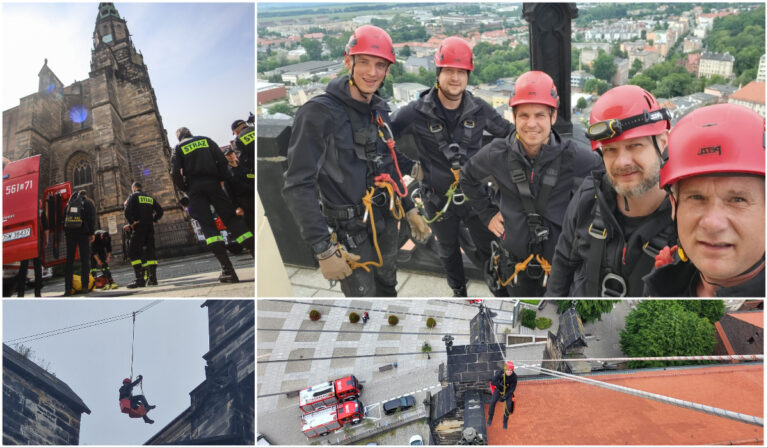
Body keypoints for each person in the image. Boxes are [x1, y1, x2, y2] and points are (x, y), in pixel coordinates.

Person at [282, 24, 430, 297]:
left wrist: (408, 208)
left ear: (387, 70)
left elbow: (388, 163)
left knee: (387, 289)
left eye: (380, 65)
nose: (372, 73)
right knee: (364, 302)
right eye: (364, 62)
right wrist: (323, 249)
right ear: (348, 62)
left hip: (384, 219)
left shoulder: (378, 109)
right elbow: (297, 184)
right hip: (350, 231)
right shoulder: (318, 113)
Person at [460, 71, 602, 297]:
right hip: (515, 268)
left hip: (558, 267)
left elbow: (607, 180)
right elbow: (467, 178)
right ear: (513, 117)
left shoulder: (574, 157)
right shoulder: (496, 154)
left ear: (553, 117)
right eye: (524, 115)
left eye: (540, 115)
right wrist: (487, 214)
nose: (531, 124)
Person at [391, 36, 513, 297]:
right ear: (438, 73)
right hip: (438, 200)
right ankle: (459, 293)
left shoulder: (479, 109)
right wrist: (410, 167)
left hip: (476, 197)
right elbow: (384, 139)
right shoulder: (415, 112)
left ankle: (500, 292)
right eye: (449, 71)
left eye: (461, 72)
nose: (455, 78)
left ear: (468, 76)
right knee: (447, 251)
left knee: (490, 247)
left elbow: (510, 134)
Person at [546, 86, 676, 297]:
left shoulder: (684, 222)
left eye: (635, 146)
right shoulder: (588, 199)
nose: (622, 162)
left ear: (662, 142)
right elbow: (563, 263)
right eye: (611, 150)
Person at [643, 104, 765, 297]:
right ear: (674, 206)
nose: (712, 224)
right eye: (696, 197)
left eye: (737, 199)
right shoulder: (662, 284)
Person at [172, 127, 254, 283]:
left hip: (195, 188)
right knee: (232, 220)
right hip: (214, 184)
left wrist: (185, 188)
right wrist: (221, 178)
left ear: (179, 138)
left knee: (208, 227)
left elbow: (175, 172)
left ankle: (228, 271)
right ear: (190, 132)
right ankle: (257, 257)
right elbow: (222, 160)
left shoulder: (178, 148)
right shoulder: (206, 140)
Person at [123, 182, 163, 288]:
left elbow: (126, 211)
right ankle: (153, 279)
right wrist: (154, 219)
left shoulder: (133, 196)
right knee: (150, 253)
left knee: (133, 252)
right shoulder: (149, 198)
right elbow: (160, 210)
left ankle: (139, 280)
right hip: (149, 228)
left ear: (134, 188)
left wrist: (131, 223)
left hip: (139, 227)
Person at [63, 190, 96, 296]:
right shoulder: (87, 203)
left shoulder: (68, 204)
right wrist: (91, 233)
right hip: (83, 233)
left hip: (70, 234)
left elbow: (63, 219)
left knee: (69, 261)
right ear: (85, 195)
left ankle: (68, 288)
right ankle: (85, 286)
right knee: (85, 260)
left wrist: (66, 233)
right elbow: (91, 219)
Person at [16, 205, 49, 297]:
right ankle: (37, 292)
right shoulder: (40, 212)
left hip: (25, 242)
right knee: (37, 267)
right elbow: (46, 228)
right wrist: (46, 240)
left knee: (23, 267)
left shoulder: (22, 211)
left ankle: (20, 293)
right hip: (36, 242)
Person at [223, 148, 255, 234]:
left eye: (231, 153)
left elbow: (252, 178)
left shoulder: (243, 166)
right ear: (225, 158)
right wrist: (237, 207)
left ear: (234, 154)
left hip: (253, 195)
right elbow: (229, 192)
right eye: (228, 155)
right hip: (242, 200)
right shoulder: (227, 173)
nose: (230, 156)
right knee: (251, 223)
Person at [487, 361, 517, 430]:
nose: (509, 372)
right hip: (499, 389)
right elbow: (493, 381)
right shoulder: (500, 373)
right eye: (508, 370)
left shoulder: (514, 377)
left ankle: (505, 421)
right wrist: (499, 386)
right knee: (492, 402)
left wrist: (505, 396)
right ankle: (490, 417)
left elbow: (512, 389)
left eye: (511, 370)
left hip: (508, 391)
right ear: (505, 369)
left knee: (508, 406)